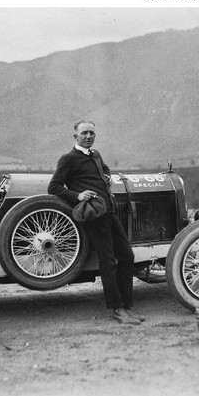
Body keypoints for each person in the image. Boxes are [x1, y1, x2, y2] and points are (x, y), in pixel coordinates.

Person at [48, 119, 144, 325]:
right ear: (76, 137)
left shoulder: (96, 155)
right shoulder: (68, 159)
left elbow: (105, 171)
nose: (88, 136)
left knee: (127, 256)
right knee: (108, 262)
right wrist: (77, 195)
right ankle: (118, 310)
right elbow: (54, 187)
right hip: (94, 217)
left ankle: (128, 307)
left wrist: (107, 177)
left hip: (109, 212)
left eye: (91, 133)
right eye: (84, 133)